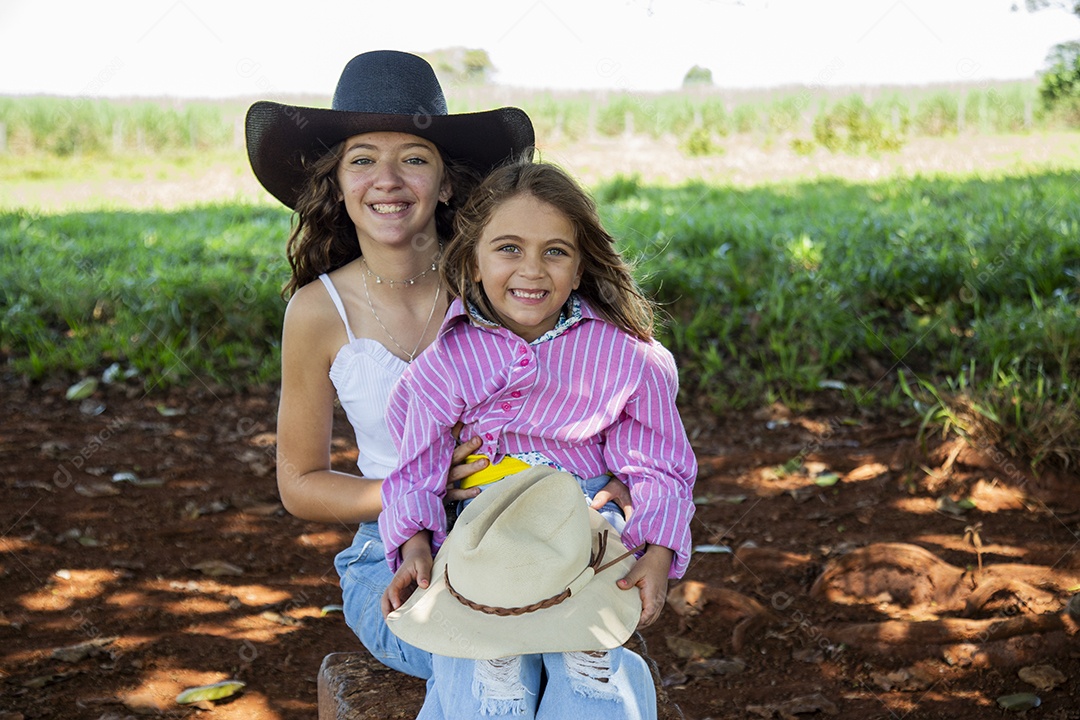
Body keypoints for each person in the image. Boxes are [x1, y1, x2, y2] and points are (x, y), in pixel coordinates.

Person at [244, 50, 636, 685]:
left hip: (529, 523)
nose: (388, 179)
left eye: (414, 159)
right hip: (393, 548)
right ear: (337, 183)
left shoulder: (501, 280)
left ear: (448, 182)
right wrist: (415, 487)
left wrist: (623, 476)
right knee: (475, 649)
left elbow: (595, 383)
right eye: (363, 159)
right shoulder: (318, 311)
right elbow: (300, 482)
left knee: (568, 653)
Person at [378, 159, 698, 719]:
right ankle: (493, 675)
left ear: (579, 269)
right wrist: (414, 546)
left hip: (585, 522)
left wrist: (660, 552)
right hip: (484, 525)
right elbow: (416, 469)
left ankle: (592, 674)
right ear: (473, 261)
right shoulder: (445, 364)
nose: (532, 269)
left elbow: (659, 463)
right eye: (508, 248)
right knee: (483, 669)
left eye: (555, 251)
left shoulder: (626, 356)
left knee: (586, 666)